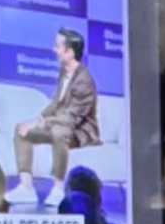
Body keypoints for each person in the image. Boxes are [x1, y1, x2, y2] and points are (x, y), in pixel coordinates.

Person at [11, 27, 103, 180]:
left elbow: (72, 119)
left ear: (70, 52)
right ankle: (25, 185)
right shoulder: (64, 71)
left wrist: (43, 123)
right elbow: (56, 103)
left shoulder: (84, 81)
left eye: (58, 46)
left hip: (81, 131)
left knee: (58, 133)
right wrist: (37, 120)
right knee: (22, 130)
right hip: (61, 124)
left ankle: (58, 187)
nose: (54, 50)